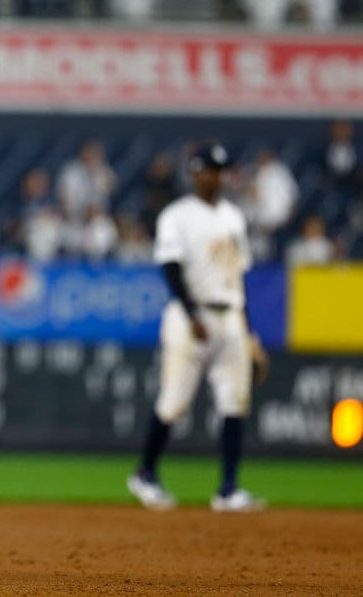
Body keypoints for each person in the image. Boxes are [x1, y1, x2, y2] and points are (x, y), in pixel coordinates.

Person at [127, 144, 268, 513]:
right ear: (194, 172)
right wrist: (191, 315)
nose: (216, 176)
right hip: (191, 316)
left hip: (231, 315)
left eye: (221, 170)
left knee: (234, 402)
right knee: (174, 403)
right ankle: (145, 473)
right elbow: (170, 269)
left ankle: (228, 489)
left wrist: (251, 336)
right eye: (209, 169)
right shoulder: (177, 215)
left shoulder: (233, 217)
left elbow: (238, 279)